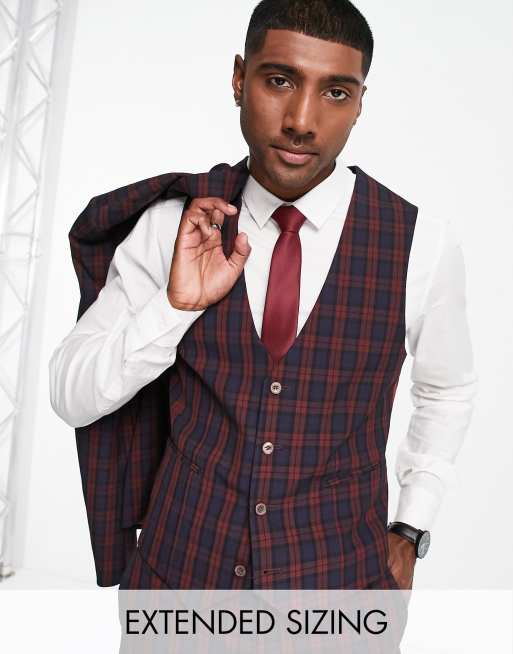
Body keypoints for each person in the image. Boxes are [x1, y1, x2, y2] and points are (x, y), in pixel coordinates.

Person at [49, 0, 477, 591]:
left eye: (335, 93)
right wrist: (173, 309)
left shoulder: (420, 243)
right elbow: (71, 395)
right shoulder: (173, 223)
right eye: (279, 81)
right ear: (238, 79)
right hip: (176, 582)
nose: (302, 120)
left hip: (341, 593)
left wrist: (411, 526)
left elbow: (447, 389)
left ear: (359, 104)